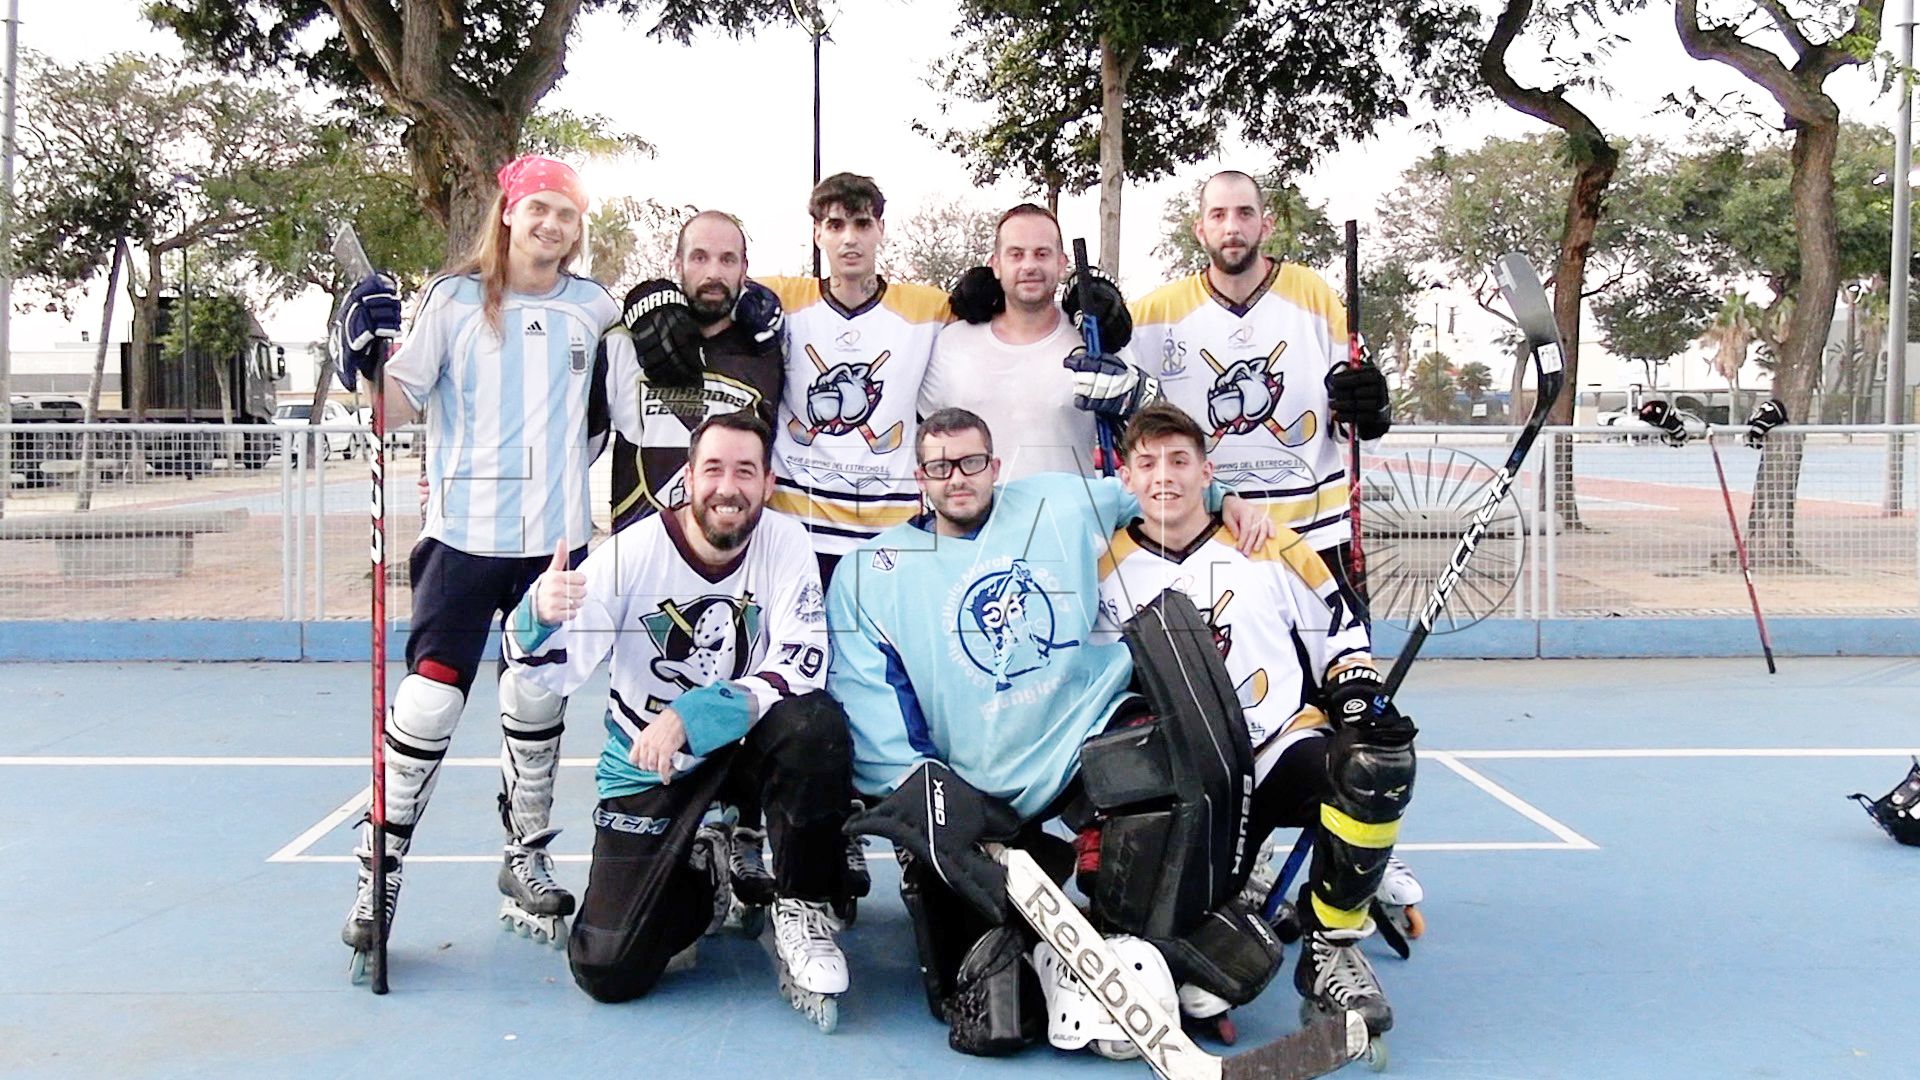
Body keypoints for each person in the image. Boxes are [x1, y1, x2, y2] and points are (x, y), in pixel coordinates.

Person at [826, 407, 1279, 1059]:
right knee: (963, 987)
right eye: (940, 466)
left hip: (1079, 737)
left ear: (996, 466)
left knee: (1158, 767)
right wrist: (920, 791)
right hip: (969, 785)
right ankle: (1045, 948)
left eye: (972, 462)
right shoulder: (872, 571)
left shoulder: (1052, 503)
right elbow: (869, 700)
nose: (958, 478)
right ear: (919, 476)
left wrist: (1226, 499)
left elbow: (1150, 486)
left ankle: (1141, 940)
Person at [333, 155, 620, 965]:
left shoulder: (595, 309)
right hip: (462, 542)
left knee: (535, 696)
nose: (553, 225)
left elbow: (615, 413)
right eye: (539, 210)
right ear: (508, 213)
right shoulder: (452, 300)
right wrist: (357, 357)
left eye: (567, 214)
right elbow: (392, 403)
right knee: (428, 705)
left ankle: (524, 855)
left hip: (556, 546)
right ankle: (379, 874)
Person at [502, 411, 855, 1026]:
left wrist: (697, 712)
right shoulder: (629, 555)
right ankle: (706, 873)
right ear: (688, 478)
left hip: (746, 750)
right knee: (608, 968)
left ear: (767, 483)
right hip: (651, 762)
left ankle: (800, 901)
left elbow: (803, 661)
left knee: (815, 727)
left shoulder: (785, 541)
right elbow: (548, 674)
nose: (728, 486)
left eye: (745, 471)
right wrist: (537, 615)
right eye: (713, 469)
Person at [1090, 401, 1418, 1050]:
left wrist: (1355, 693)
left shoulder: (1266, 542)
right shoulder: (1103, 570)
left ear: (1206, 471)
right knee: (1189, 968)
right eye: (1148, 463)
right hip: (1188, 777)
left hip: (1276, 746)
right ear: (1124, 477)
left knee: (1373, 769)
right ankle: (1234, 901)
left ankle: (1332, 943)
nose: (1165, 477)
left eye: (1180, 461)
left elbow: (1339, 632)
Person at [1128, 170, 1393, 598]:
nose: (1231, 227)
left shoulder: (1310, 293)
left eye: (1244, 213)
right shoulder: (1156, 313)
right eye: (1218, 215)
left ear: (1265, 225)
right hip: (1206, 537)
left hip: (1314, 537)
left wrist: (1372, 410)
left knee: (1340, 664)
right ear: (1200, 229)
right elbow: (1095, 364)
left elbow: (1353, 411)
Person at [751, 172, 952, 586]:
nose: (849, 239)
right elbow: (707, 289)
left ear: (881, 229)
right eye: (835, 225)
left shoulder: (927, 307)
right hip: (798, 524)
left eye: (862, 224)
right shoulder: (783, 298)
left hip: (892, 527)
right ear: (817, 233)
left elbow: (1004, 315)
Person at [921, 203, 1154, 479]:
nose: (1029, 265)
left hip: (1074, 517)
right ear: (995, 264)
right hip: (980, 520)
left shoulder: (1097, 340)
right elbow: (927, 440)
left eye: (1041, 254)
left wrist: (1138, 404)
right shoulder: (953, 344)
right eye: (1016, 254)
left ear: (1062, 263)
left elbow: (1147, 435)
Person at [607, 210, 785, 533]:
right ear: (678, 264)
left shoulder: (770, 353)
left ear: (745, 271)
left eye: (728, 260)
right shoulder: (626, 342)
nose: (713, 273)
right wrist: (642, 298)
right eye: (699, 257)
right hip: (641, 556)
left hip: (736, 560)